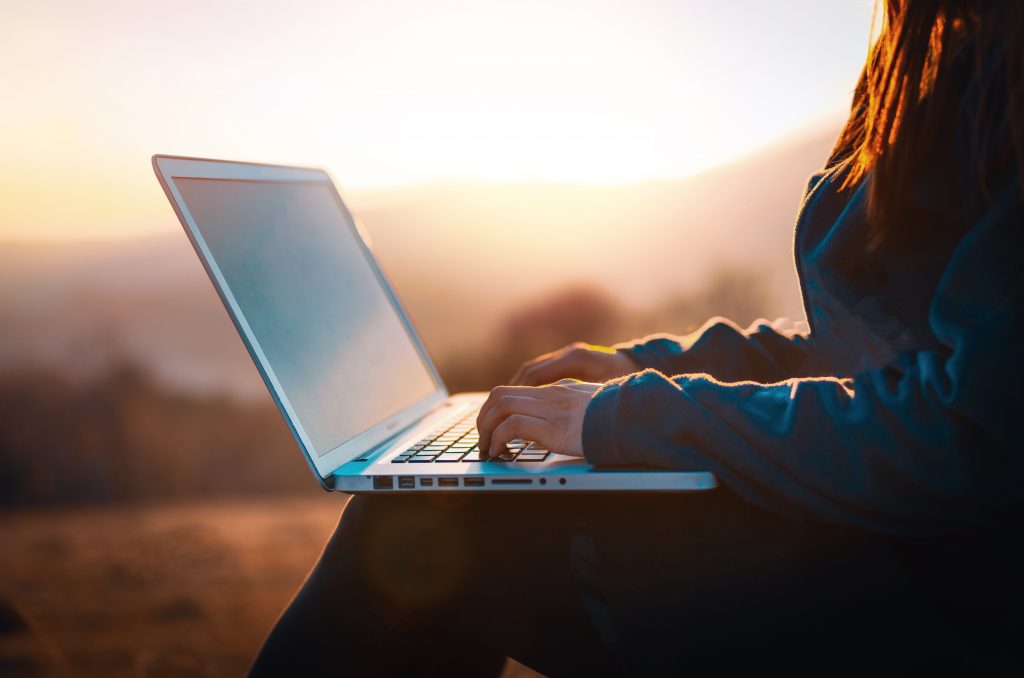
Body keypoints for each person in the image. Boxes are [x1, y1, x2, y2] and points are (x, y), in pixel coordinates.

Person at [251, 1, 1023, 674]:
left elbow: (969, 432)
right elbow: (871, 347)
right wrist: (642, 367)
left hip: (947, 604)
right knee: (441, 507)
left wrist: (632, 416)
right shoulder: (937, 46)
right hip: (904, 547)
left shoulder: (1003, 66)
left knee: (425, 523)